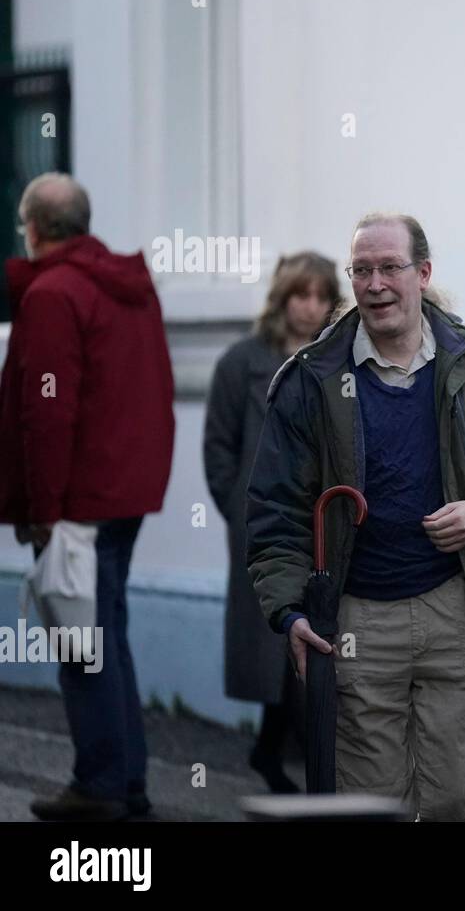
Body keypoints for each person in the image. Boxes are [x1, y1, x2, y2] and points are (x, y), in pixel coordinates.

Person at [245, 212, 465, 820]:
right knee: (372, 805)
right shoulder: (311, 379)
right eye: (361, 271)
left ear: (423, 274)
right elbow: (275, 509)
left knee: (463, 792)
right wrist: (290, 611)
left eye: (390, 268)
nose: (375, 284)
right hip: (355, 616)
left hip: (456, 603)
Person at [0, 173, 175, 821]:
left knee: (83, 645)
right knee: (108, 638)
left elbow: (48, 413)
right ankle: (124, 784)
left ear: (34, 227)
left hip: (78, 500)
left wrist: (42, 511)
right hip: (124, 493)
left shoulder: (53, 294)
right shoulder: (129, 289)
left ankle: (101, 785)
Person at [203, 252, 340, 793]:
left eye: (320, 296)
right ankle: (285, 759)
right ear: (282, 300)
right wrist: (244, 512)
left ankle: (280, 755)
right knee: (276, 642)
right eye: (299, 295)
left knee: (315, 643)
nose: (310, 307)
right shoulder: (243, 362)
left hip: (325, 527)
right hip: (265, 527)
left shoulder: (335, 361)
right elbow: (219, 449)